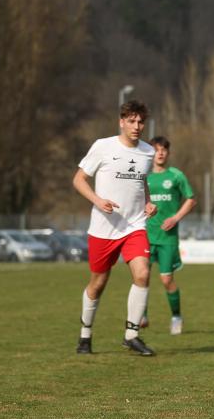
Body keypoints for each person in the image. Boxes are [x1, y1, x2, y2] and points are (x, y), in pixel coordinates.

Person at [72, 100, 157, 356]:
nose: (137, 126)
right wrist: (98, 201)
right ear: (121, 122)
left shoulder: (148, 152)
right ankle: (85, 334)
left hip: (134, 226)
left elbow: (142, 182)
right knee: (98, 283)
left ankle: (132, 335)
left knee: (142, 273)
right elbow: (78, 179)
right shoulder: (103, 146)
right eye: (131, 121)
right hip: (104, 228)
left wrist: (149, 201)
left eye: (141, 122)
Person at [142, 136, 196, 334]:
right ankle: (141, 315)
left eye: (164, 149)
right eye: (157, 150)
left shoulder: (175, 175)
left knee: (166, 280)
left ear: (168, 153)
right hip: (144, 235)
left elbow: (191, 199)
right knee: (141, 277)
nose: (160, 153)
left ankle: (176, 317)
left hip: (167, 238)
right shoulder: (143, 176)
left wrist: (175, 218)